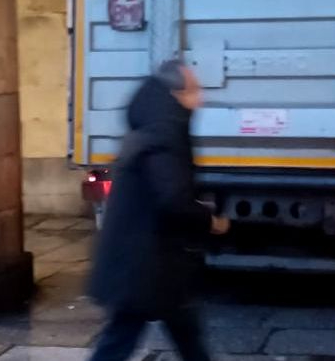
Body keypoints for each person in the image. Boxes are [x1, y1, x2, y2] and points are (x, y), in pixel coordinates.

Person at [88, 61, 230, 361]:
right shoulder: (165, 134)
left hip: (150, 260)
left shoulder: (152, 127)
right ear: (176, 94)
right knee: (124, 338)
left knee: (178, 333)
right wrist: (210, 221)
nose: (201, 98)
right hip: (149, 262)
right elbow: (172, 199)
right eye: (195, 90)